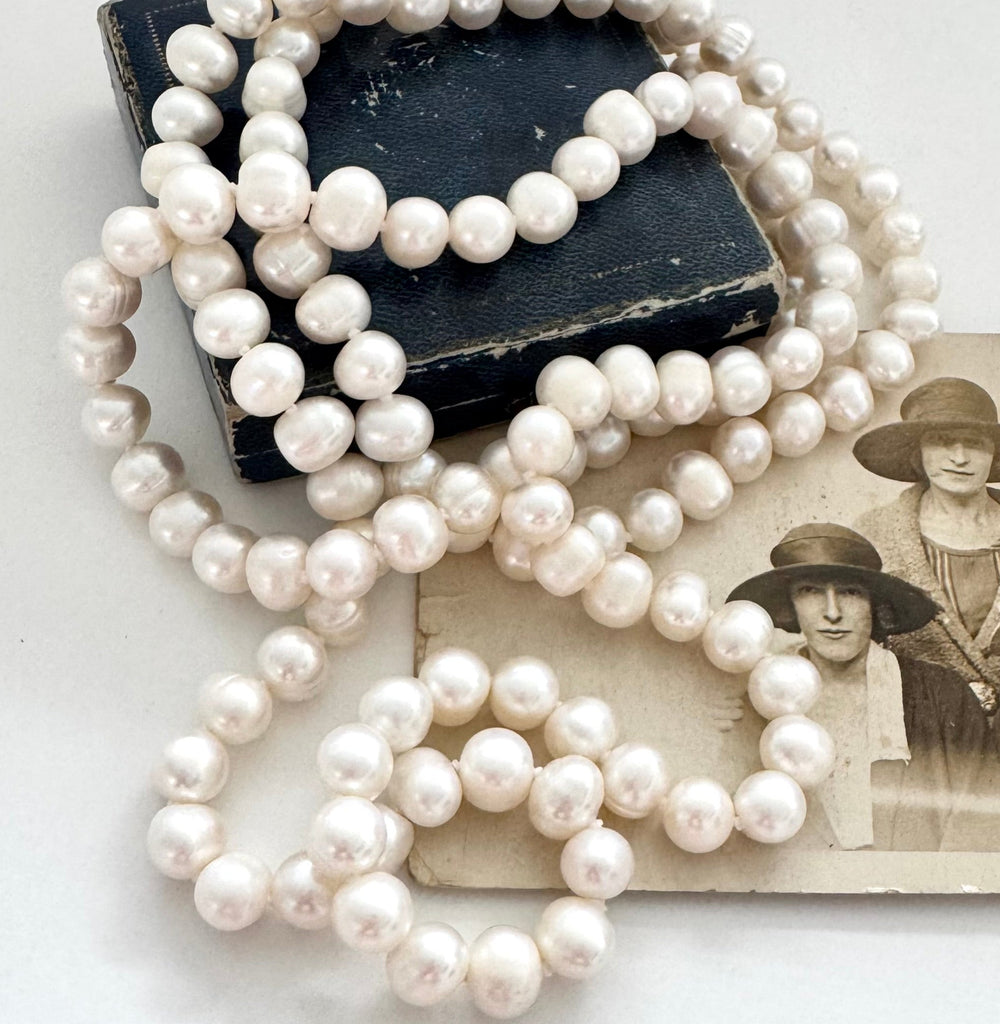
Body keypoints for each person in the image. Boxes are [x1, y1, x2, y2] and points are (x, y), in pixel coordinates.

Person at [729, 523, 997, 851]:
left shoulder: (945, 695)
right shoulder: (754, 705)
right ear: (791, 606)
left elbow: (980, 825)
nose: (832, 613)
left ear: (874, 603)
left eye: (850, 592)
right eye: (810, 591)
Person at [853, 377, 1000, 716]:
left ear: (993, 454)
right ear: (918, 452)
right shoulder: (874, 535)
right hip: (920, 732)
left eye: (974, 443)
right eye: (942, 441)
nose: (959, 457)